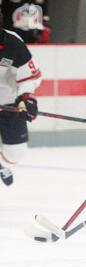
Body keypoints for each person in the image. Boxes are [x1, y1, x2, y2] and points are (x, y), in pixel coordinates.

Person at [0, 10, 41, 186]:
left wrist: (26, 98)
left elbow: (31, 77)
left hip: (9, 104)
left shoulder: (13, 43)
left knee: (16, 154)